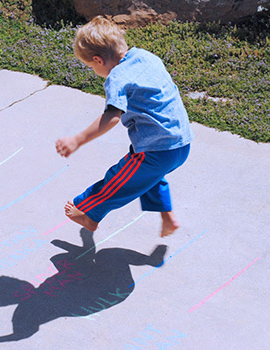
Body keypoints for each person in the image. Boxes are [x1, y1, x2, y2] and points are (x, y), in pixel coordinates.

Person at [55, 16, 193, 237]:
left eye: (91, 66)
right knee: (148, 175)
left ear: (99, 60)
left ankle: (89, 215)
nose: (93, 70)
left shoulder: (117, 77)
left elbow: (112, 116)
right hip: (181, 142)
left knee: (117, 181)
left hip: (157, 151)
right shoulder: (146, 57)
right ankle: (167, 216)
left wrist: (77, 139)